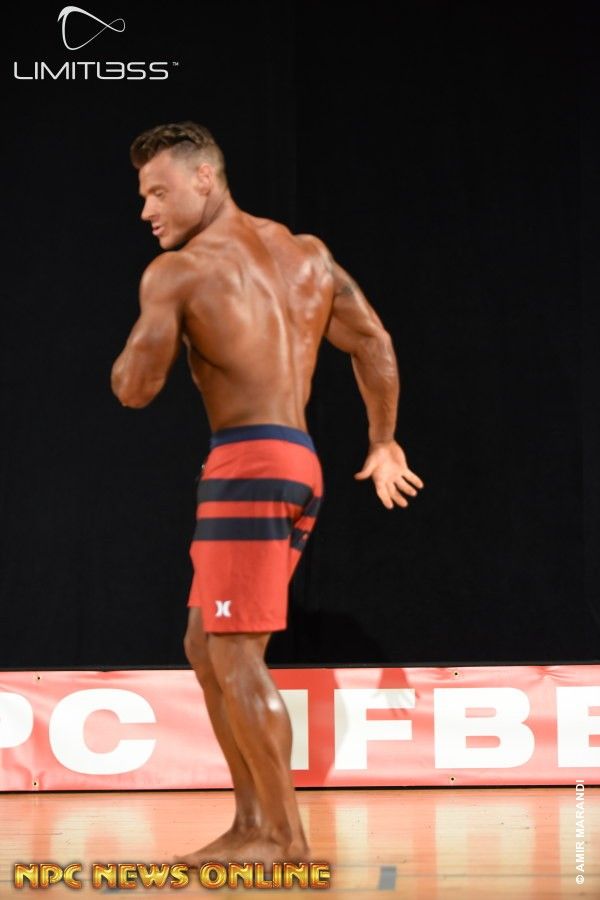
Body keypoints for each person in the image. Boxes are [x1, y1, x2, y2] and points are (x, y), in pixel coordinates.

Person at [110, 121, 424, 865]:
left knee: (235, 653)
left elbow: (134, 390)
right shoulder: (307, 255)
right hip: (297, 460)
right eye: (142, 196)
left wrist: (145, 334)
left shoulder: (178, 272)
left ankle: (284, 837)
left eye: (158, 192)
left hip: (247, 463)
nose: (147, 210)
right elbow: (373, 341)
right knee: (205, 643)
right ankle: (251, 822)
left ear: (204, 178)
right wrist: (382, 440)